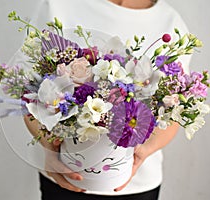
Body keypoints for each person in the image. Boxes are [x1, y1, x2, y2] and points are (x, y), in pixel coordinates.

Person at [10, 0, 192, 199]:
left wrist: (143, 151)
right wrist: (48, 147)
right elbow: (28, 91)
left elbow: (175, 108)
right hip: (64, 176)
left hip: (137, 185)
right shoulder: (58, 5)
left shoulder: (170, 21)